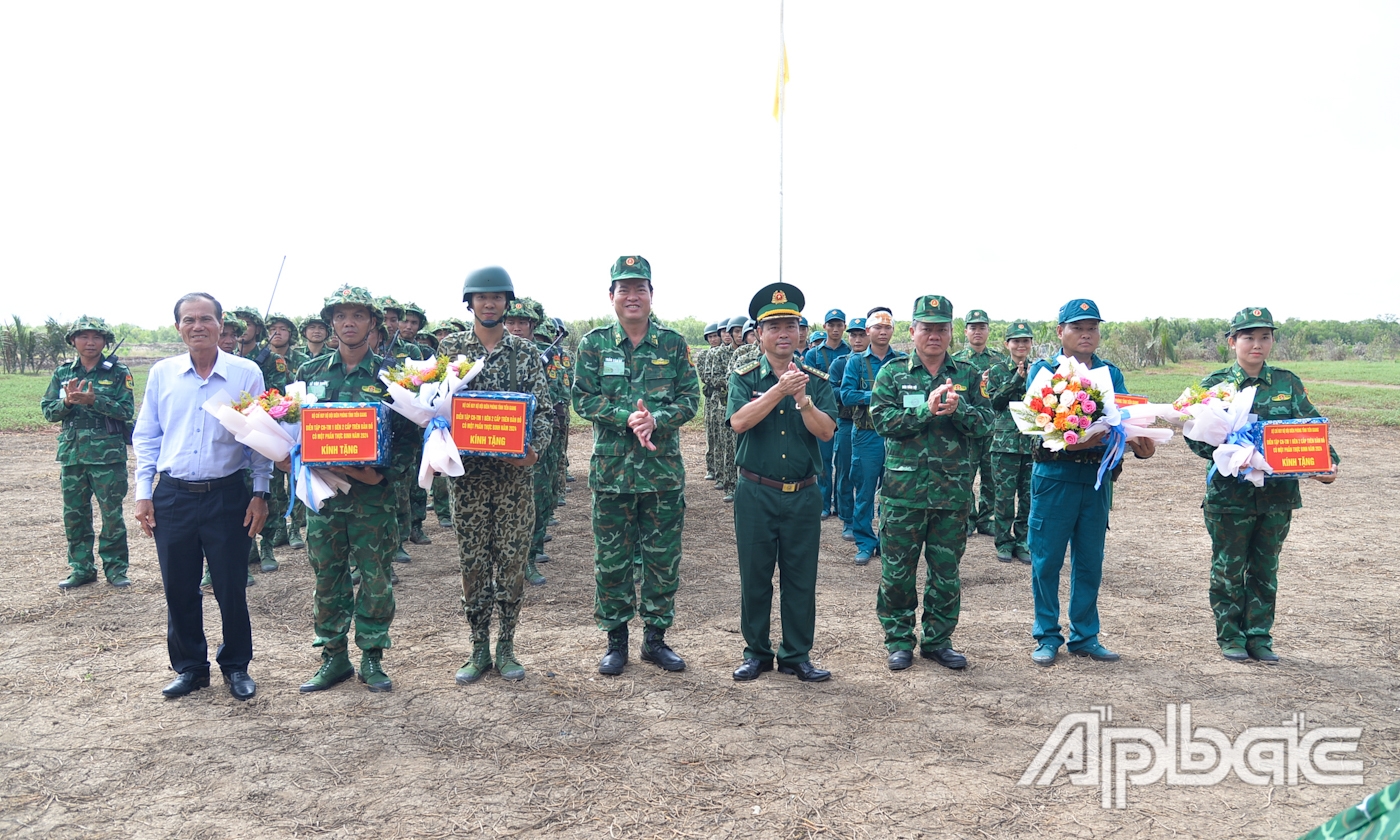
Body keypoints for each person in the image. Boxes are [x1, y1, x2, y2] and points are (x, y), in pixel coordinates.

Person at [133, 292, 270, 701]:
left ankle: (236, 667)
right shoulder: (162, 374)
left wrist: (259, 493)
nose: (198, 326)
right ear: (178, 327)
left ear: (221, 323)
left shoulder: (246, 374)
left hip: (228, 495)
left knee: (231, 586)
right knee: (178, 587)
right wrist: (144, 493)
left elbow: (260, 440)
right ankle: (191, 667)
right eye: (189, 320)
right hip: (173, 496)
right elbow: (147, 435)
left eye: (206, 319)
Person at [1188, 306, 1339, 664]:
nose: (1257, 344)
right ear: (1232, 341)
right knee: (1228, 569)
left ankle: (1259, 637)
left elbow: (1309, 428)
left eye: (1265, 337)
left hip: (1277, 498)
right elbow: (1195, 439)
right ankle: (1230, 637)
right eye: (1248, 337)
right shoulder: (1215, 386)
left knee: (1265, 570)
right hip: (1230, 496)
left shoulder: (1287, 382)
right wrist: (1230, 451)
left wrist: (1327, 463)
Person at [573, 255, 699, 676]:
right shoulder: (593, 344)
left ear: (650, 294)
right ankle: (616, 641)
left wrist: (657, 419)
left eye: (639, 288)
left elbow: (690, 400)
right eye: (623, 289)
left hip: (661, 474)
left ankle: (656, 640)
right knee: (612, 562)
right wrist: (627, 415)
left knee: (662, 560)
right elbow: (583, 398)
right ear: (611, 296)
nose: (632, 296)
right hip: (611, 476)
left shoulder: (673, 344)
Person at [292, 286, 417, 692]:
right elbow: (293, 431)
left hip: (372, 499)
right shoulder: (309, 373)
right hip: (324, 498)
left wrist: (382, 477)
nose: (349, 323)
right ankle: (334, 658)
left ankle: (373, 657)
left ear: (373, 324)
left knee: (375, 577)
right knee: (327, 577)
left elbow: (409, 435)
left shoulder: (391, 375)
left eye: (358, 316)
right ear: (331, 322)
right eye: (341, 316)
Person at [1028, 299, 1156, 667]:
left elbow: (1126, 419)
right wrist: (1079, 438)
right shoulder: (1044, 370)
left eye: (1093, 328)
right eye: (1078, 327)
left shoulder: (1110, 374)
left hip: (1097, 480)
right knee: (1046, 560)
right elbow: (1037, 430)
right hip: (1055, 478)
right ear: (1060, 332)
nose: (1086, 334)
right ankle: (1047, 635)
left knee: (1089, 562)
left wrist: (1139, 442)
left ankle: (1084, 635)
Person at [442, 267, 553, 684]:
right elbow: (432, 407)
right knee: (472, 564)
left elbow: (543, 410)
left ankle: (506, 646)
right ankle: (477, 648)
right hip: (467, 480)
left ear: (507, 303)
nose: (489, 304)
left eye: (497, 297)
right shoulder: (451, 351)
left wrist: (533, 452)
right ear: (469, 303)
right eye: (481, 297)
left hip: (513, 481)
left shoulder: (524, 353)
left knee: (510, 564)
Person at [870, 296, 993, 671]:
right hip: (903, 495)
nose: (934, 335)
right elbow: (882, 421)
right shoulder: (892, 373)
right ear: (913, 331)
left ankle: (939, 641)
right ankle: (899, 640)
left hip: (951, 494)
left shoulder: (969, 376)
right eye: (927, 327)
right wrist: (926, 410)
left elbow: (988, 423)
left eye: (941, 328)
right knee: (897, 573)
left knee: (946, 574)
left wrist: (962, 410)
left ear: (951, 332)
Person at [727, 283, 837, 683]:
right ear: (758, 334)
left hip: (803, 494)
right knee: (755, 576)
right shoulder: (743, 377)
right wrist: (777, 391)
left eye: (791, 324)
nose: (783, 333)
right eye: (773, 326)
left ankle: (796, 654)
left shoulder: (817, 379)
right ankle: (756, 652)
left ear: (801, 332)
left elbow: (825, 432)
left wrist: (803, 398)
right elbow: (739, 422)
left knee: (799, 578)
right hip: (755, 492)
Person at [42, 316, 135, 590]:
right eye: (83, 336)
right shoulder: (62, 373)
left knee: (111, 515)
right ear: (73, 341)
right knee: (75, 515)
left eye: (96, 337)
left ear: (105, 341)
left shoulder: (118, 372)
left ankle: (116, 569)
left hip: (108, 456)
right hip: (73, 455)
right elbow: (48, 410)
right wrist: (67, 403)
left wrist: (96, 401)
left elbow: (127, 411)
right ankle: (81, 568)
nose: (90, 342)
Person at [841, 308, 906, 565]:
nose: (882, 332)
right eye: (877, 327)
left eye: (887, 327)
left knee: (892, 492)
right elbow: (846, 395)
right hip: (867, 435)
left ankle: (887, 541)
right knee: (866, 490)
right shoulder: (856, 362)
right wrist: (878, 397)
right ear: (868, 332)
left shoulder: (902, 361)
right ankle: (865, 542)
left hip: (896, 436)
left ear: (892, 331)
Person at [501, 297, 552, 586]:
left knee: (539, 498)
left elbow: (551, 396)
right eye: (511, 321)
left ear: (533, 325)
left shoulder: (541, 355)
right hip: (502, 441)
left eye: (522, 322)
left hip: (537, 439)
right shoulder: (494, 355)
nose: (516, 327)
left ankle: (530, 558)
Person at [952, 309, 1007, 538]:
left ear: (988, 330)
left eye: (981, 327)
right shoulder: (956, 362)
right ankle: (967, 519)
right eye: (973, 327)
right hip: (967, 429)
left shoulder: (998, 360)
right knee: (965, 476)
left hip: (993, 428)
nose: (977, 331)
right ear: (965, 331)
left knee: (991, 477)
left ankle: (986, 519)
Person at [985, 321, 1037, 563]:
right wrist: (1017, 378)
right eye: (1016, 341)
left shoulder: (1040, 370)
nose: (1021, 345)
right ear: (1007, 344)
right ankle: (1004, 541)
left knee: (1028, 497)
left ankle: (1023, 541)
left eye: (1025, 340)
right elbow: (994, 402)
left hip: (1031, 443)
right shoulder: (996, 371)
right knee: (1004, 497)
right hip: (1004, 444)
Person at [803, 308, 850, 521]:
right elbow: (811, 385)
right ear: (825, 327)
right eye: (831, 325)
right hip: (821, 414)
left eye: (839, 325)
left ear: (844, 327)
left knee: (842, 463)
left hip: (845, 415)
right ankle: (823, 503)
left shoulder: (850, 352)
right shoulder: (813, 354)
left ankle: (841, 505)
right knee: (822, 461)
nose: (835, 329)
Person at [828, 317, 867, 541]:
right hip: (846, 422)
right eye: (853, 335)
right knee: (844, 472)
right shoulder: (841, 363)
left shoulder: (873, 362)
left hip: (873, 425)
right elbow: (833, 393)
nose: (857, 339)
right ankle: (847, 519)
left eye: (862, 334)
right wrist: (850, 392)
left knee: (869, 475)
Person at [697, 322, 723, 480]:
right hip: (710, 397)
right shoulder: (703, 356)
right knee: (710, 434)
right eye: (711, 337)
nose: (713, 339)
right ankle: (711, 467)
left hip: (720, 397)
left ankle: (719, 468)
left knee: (719, 434)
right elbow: (704, 377)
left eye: (715, 336)